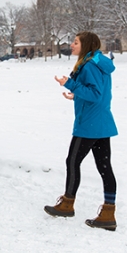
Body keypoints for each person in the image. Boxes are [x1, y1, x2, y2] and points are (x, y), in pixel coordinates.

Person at [45, 31, 118, 231]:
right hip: (102, 122)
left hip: (88, 125)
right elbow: (97, 93)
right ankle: (108, 213)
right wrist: (75, 95)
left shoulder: (89, 66)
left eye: (76, 42)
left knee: (73, 161)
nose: (72, 44)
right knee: (104, 167)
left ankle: (67, 204)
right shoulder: (99, 62)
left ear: (85, 45)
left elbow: (95, 94)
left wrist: (69, 83)